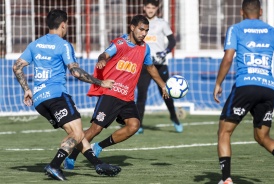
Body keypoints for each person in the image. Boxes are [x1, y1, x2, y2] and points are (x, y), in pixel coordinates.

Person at [12, 9, 121, 181]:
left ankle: (98, 164)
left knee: (74, 132)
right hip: (57, 95)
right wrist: (101, 82)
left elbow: (17, 67)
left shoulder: (35, 44)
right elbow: (75, 72)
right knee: (77, 134)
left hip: (40, 101)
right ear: (63, 24)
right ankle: (55, 165)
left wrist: (27, 89)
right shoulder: (63, 45)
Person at [63, 14, 169, 169]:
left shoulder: (145, 48)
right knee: (95, 129)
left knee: (134, 125)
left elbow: (151, 67)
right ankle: (71, 156)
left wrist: (162, 85)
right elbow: (105, 54)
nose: (144, 33)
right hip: (111, 93)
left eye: (146, 30)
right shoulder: (120, 43)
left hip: (127, 97)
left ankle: (99, 147)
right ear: (132, 28)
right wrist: (103, 60)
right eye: (141, 29)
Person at [213, 0, 274, 183]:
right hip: (268, 88)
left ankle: (226, 179)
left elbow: (228, 58)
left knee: (224, 132)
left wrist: (218, 83)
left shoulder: (236, 29)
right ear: (260, 11)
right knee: (262, 136)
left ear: (241, 12)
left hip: (246, 86)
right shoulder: (273, 31)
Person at [135, 0, 182, 134]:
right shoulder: (140, 24)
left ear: (157, 8)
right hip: (144, 64)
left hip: (160, 65)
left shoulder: (162, 23)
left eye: (153, 7)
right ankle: (139, 124)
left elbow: (172, 41)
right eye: (148, 7)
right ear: (144, 8)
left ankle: (174, 117)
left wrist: (165, 52)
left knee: (166, 94)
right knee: (141, 95)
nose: (150, 10)